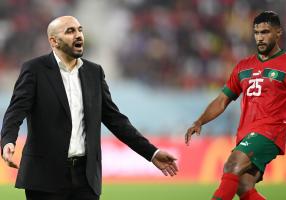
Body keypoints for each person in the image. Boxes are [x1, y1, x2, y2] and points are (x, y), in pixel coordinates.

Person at [1, 16, 178, 200]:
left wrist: (152, 152)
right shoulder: (35, 69)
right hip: (44, 176)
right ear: (53, 41)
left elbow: (115, 120)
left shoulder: (95, 72)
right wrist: (8, 141)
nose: (78, 35)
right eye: (70, 31)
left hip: (85, 179)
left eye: (80, 30)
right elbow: (16, 111)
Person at [185, 11, 286, 200]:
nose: (260, 37)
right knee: (243, 186)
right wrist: (199, 121)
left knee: (231, 166)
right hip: (245, 134)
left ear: (278, 32)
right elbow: (221, 100)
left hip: (270, 132)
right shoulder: (243, 66)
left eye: (265, 32)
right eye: (256, 33)